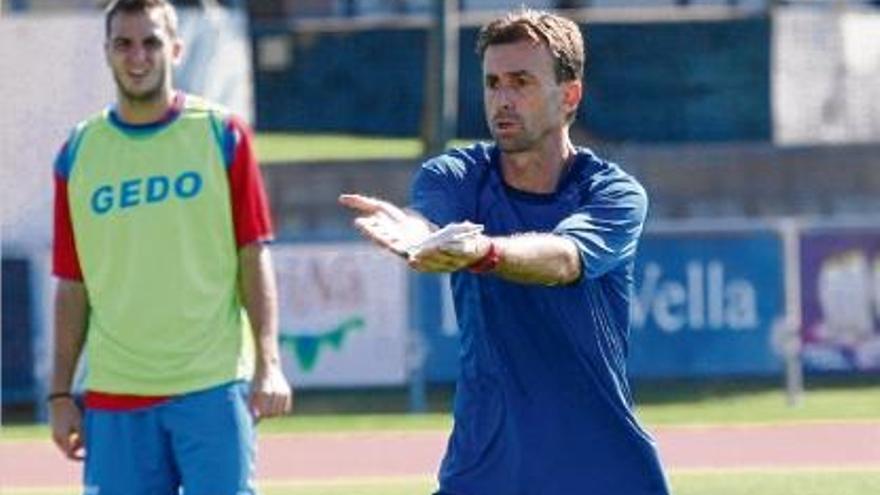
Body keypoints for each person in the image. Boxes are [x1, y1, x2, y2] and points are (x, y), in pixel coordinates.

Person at [340, 8, 669, 495]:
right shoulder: (456, 174)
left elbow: (564, 259)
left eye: (521, 82)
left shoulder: (613, 193)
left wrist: (483, 252)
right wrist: (413, 234)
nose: (502, 100)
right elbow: (425, 220)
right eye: (493, 83)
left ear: (569, 95)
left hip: (603, 468)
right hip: (485, 466)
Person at [49, 1, 292, 493]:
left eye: (151, 42)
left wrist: (270, 363)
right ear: (107, 53)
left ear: (176, 49)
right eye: (124, 43)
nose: (138, 56)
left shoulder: (222, 134)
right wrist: (59, 393)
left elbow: (254, 254)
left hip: (212, 388)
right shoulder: (78, 152)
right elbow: (72, 284)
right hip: (116, 395)